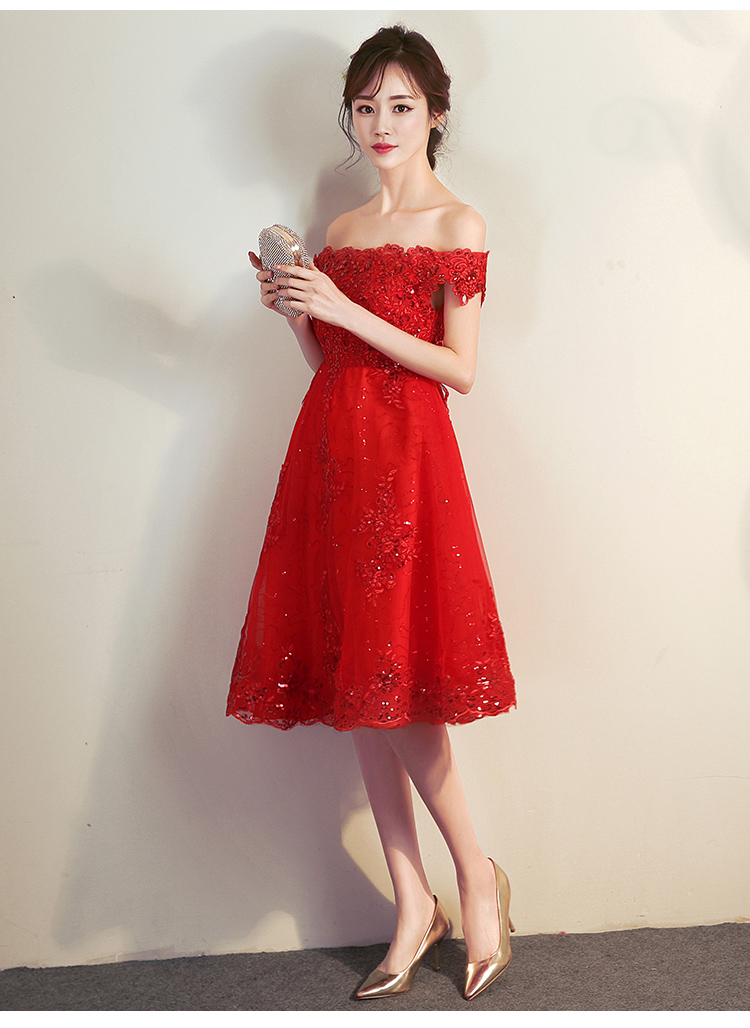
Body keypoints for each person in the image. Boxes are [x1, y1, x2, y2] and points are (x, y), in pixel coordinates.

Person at [226, 25, 517, 1001]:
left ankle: (475, 876)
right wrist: (298, 314)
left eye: (399, 105)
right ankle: (411, 900)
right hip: (331, 458)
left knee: (402, 690)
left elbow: (458, 370)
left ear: (435, 113)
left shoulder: (459, 223)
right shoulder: (342, 231)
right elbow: (332, 362)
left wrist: (346, 310)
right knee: (361, 679)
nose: (380, 124)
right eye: (364, 106)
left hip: (409, 465)